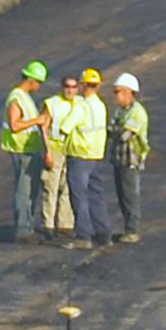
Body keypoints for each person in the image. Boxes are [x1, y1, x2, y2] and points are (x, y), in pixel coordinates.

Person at [57, 67, 112, 245]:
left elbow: (65, 127)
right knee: (96, 195)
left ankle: (83, 236)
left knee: (79, 197)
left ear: (82, 85)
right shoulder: (100, 105)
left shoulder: (82, 106)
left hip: (79, 156)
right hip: (96, 156)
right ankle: (103, 234)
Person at [2, 62, 50, 242]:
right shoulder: (16, 98)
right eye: (38, 82)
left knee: (30, 190)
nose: (39, 87)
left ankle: (27, 227)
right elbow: (15, 125)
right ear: (31, 80)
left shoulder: (24, 97)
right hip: (22, 150)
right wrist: (37, 121)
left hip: (29, 150)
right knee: (24, 190)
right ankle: (23, 230)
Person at [106, 72, 150, 245]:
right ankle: (127, 228)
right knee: (122, 194)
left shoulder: (137, 112)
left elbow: (124, 135)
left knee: (130, 195)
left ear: (128, 92)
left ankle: (132, 230)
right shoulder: (121, 111)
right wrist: (116, 130)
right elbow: (111, 130)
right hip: (119, 158)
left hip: (130, 159)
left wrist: (116, 129)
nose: (115, 96)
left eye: (118, 92)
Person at [40, 72, 82, 238]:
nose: (70, 90)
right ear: (61, 87)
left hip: (72, 151)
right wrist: (47, 152)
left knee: (67, 188)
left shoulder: (81, 103)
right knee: (51, 187)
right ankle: (48, 225)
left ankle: (65, 225)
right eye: (67, 87)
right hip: (55, 149)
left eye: (73, 87)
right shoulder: (52, 103)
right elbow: (43, 126)